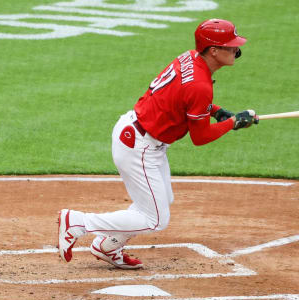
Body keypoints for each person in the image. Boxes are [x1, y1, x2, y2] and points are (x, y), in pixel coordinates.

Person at [57, 18, 259, 269]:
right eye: (230, 46)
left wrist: (216, 111)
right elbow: (200, 137)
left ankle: (107, 246)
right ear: (213, 50)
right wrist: (233, 122)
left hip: (138, 134)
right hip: (139, 145)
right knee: (155, 219)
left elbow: (182, 99)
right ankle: (78, 222)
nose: (236, 51)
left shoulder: (190, 59)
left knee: (161, 199)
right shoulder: (200, 85)